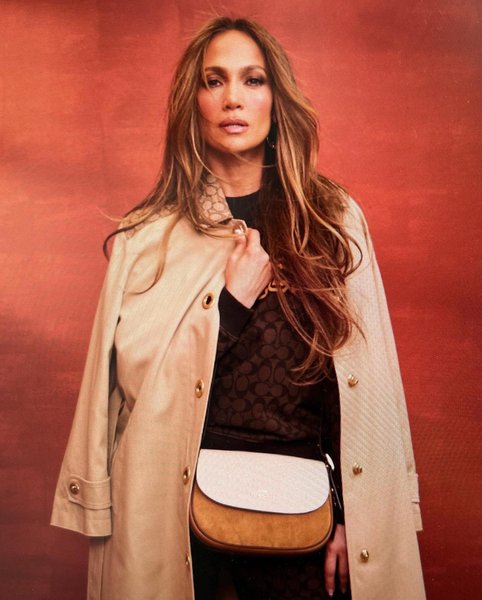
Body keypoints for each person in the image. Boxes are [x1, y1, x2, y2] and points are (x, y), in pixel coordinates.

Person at [51, 16, 426, 600]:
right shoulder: (147, 237)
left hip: (304, 516)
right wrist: (228, 306)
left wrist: (356, 516)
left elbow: (360, 388)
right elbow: (138, 396)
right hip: (179, 521)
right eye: (214, 80)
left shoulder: (332, 221)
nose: (233, 98)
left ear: (276, 98)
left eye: (252, 80)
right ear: (193, 101)